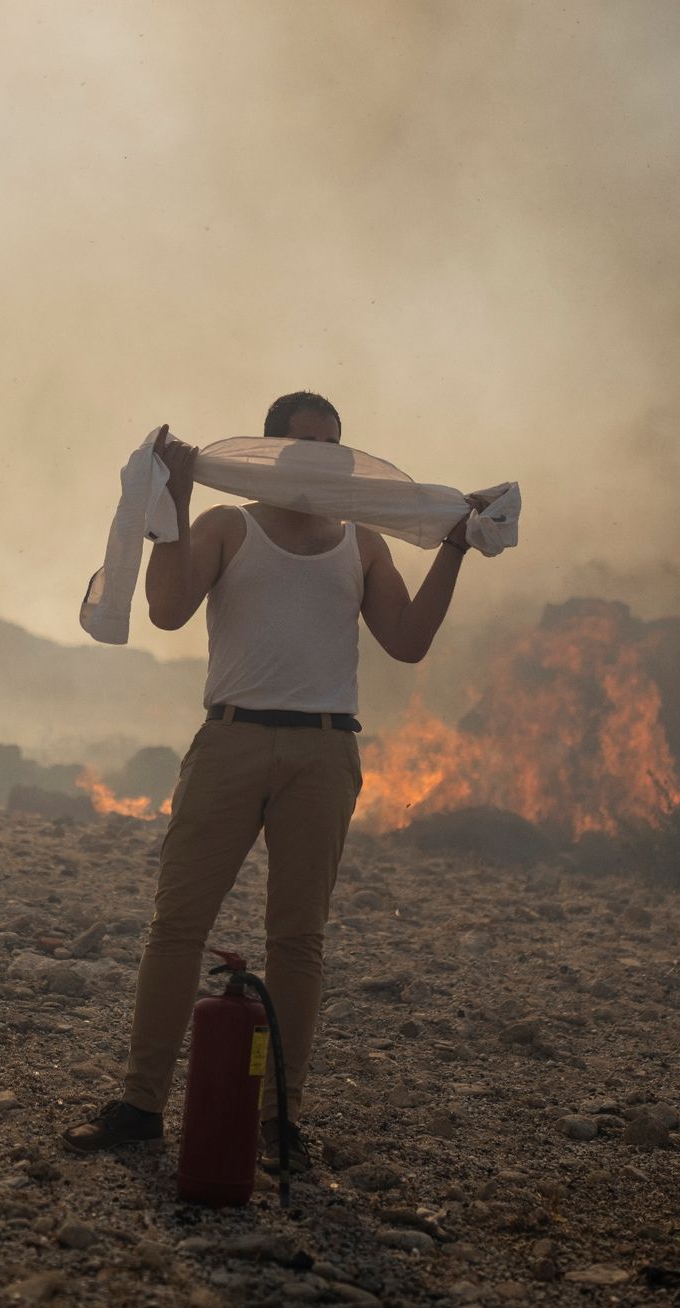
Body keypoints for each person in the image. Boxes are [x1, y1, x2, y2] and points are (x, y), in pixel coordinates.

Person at [62, 390, 485, 1161]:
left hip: (325, 753)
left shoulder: (362, 545)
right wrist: (179, 501)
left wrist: (454, 547)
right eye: (303, 444)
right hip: (232, 739)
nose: (318, 457)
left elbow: (410, 640)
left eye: (332, 444)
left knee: (298, 941)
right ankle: (139, 1103)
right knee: (178, 927)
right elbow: (165, 610)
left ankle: (275, 1119)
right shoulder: (230, 526)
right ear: (273, 452)